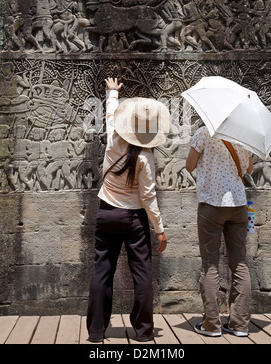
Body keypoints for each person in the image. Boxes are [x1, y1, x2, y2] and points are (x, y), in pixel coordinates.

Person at [86, 77, 170, 343]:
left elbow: (111, 114)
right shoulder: (146, 157)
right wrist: (160, 230)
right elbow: (148, 197)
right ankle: (144, 331)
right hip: (134, 218)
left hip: (107, 212)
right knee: (142, 273)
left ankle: (97, 332)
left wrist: (112, 92)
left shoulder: (112, 139)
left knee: (102, 271)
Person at [185, 125, 254, 338]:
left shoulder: (204, 133)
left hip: (211, 204)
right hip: (239, 205)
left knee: (210, 264)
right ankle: (240, 325)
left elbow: (189, 166)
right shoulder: (245, 134)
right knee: (240, 263)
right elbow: (249, 170)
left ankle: (212, 325)